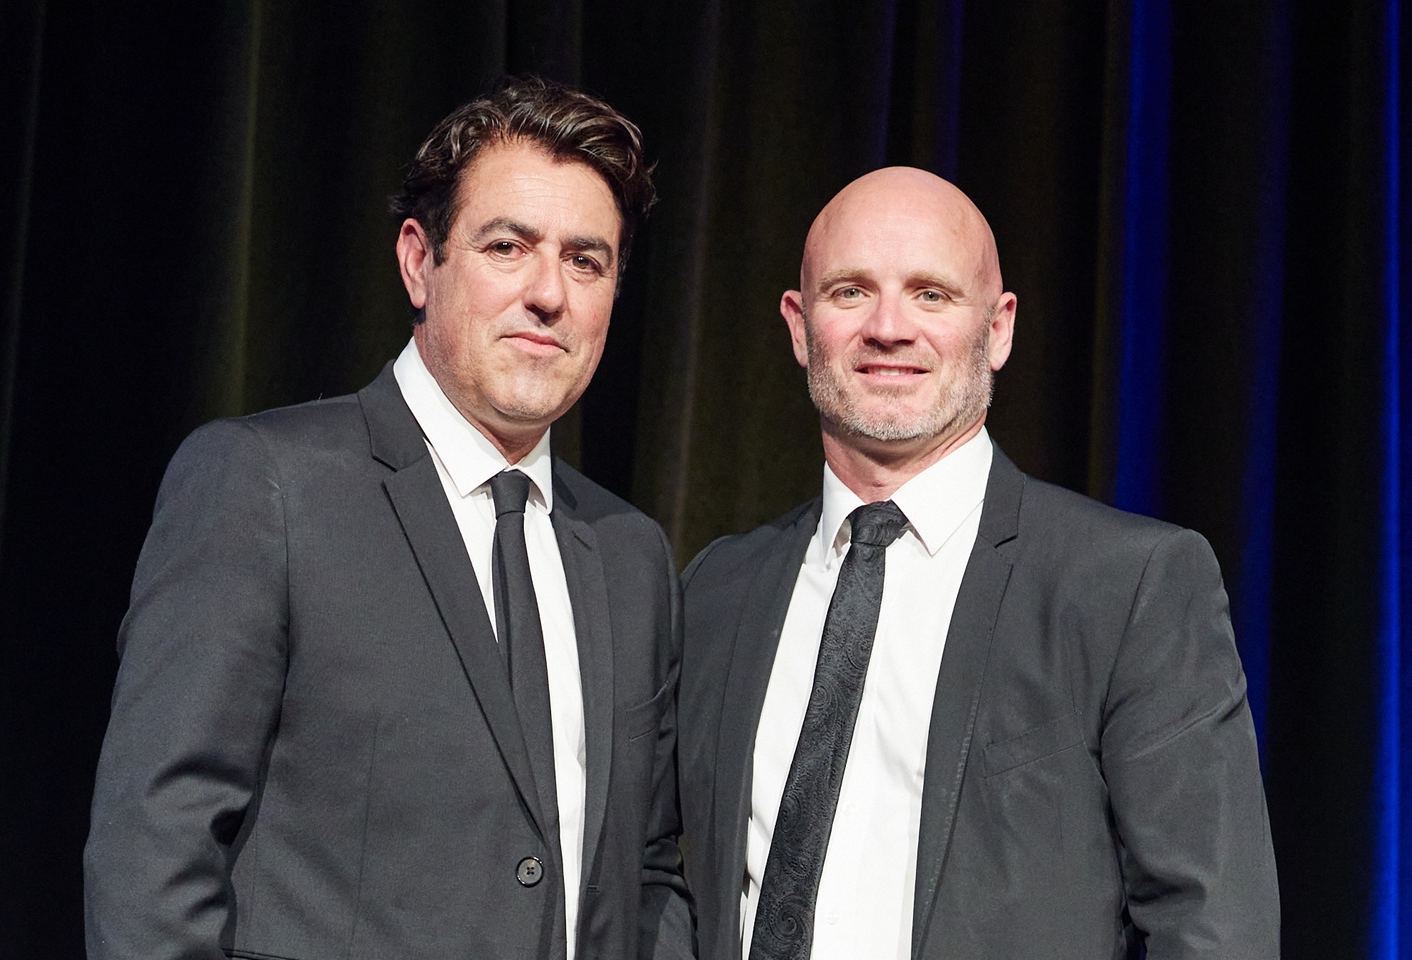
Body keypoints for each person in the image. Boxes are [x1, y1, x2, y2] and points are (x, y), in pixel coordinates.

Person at [85, 77, 693, 960]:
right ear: (418, 260)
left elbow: (648, 872)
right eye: (508, 246)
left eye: (585, 262)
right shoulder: (266, 486)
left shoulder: (631, 556)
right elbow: (154, 847)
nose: (548, 293)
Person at [677, 166, 1279, 959]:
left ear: (998, 330)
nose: (889, 327)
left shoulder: (1127, 585)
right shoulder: (718, 590)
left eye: (931, 294)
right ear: (799, 324)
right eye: (851, 291)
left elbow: (1213, 927)